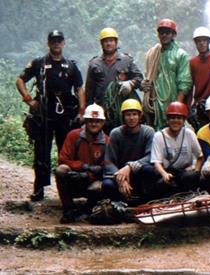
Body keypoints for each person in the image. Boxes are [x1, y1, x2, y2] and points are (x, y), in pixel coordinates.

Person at [16, 30, 85, 201]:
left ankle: (68, 191)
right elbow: (20, 80)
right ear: (48, 43)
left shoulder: (71, 65)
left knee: (66, 153)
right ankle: (39, 189)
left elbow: (79, 88)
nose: (56, 43)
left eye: (59, 41)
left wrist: (82, 110)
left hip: (65, 115)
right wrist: (29, 100)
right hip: (43, 115)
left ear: (63, 43)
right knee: (41, 153)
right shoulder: (39, 63)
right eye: (53, 41)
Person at [55, 103, 109, 223]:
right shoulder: (74, 136)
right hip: (73, 177)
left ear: (102, 123)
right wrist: (83, 167)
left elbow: (107, 167)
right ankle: (68, 209)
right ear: (85, 121)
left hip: (92, 181)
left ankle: (89, 209)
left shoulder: (106, 142)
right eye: (90, 121)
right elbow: (63, 159)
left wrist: (88, 175)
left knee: (99, 186)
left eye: (97, 121)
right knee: (61, 170)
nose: (94, 124)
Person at [85, 27, 143, 133]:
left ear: (116, 42)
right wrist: (87, 112)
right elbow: (89, 92)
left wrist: (131, 83)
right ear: (101, 44)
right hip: (102, 112)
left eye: (111, 41)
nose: (108, 44)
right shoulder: (94, 64)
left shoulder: (126, 60)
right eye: (106, 41)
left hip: (124, 112)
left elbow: (139, 78)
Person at [143, 102, 203, 199]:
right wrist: (164, 174)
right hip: (168, 172)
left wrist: (196, 170)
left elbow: (200, 156)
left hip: (185, 171)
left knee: (191, 177)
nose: (175, 121)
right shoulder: (159, 136)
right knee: (161, 184)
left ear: (184, 120)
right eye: (172, 118)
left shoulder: (189, 133)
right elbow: (157, 162)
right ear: (167, 120)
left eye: (179, 118)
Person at [141, 19, 192, 130]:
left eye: (167, 32)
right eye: (161, 32)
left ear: (173, 34)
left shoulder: (180, 54)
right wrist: (144, 85)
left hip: (172, 98)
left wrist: (177, 107)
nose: (164, 35)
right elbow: (149, 76)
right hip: (155, 101)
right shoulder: (153, 53)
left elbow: (184, 82)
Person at [102, 99, 154, 204]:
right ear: (123, 117)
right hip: (119, 174)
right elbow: (109, 161)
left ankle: (145, 202)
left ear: (140, 116)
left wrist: (130, 166)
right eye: (128, 115)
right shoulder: (116, 133)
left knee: (149, 170)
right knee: (107, 185)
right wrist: (120, 178)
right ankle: (118, 206)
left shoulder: (148, 132)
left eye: (134, 114)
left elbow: (150, 156)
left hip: (139, 173)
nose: (131, 118)